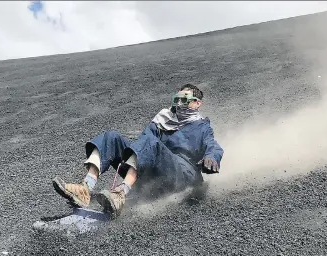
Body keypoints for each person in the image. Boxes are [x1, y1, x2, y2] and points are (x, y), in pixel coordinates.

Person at [52, 83, 224, 218]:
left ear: (197, 103)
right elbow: (143, 143)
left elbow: (213, 146)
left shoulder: (202, 127)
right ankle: (85, 187)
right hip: (154, 170)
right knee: (112, 137)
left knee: (151, 143)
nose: (179, 104)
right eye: (177, 99)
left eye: (185, 100)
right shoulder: (163, 119)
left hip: (182, 174)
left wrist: (212, 157)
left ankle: (121, 192)